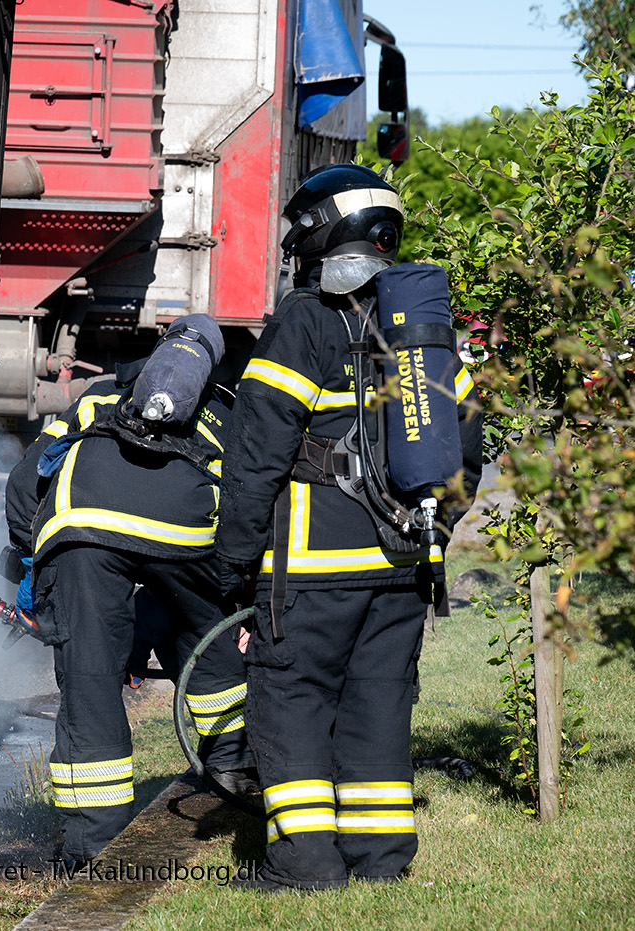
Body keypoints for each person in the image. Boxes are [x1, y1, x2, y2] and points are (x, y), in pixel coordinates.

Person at [216, 164, 483, 891]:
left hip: (311, 568)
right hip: (402, 565)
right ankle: (380, 861)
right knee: (379, 701)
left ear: (322, 232)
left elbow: (258, 450)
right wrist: (429, 531)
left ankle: (303, 868)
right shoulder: (424, 332)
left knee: (293, 697)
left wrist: (235, 562)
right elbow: (467, 453)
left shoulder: (306, 318)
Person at [4, 314, 254, 868]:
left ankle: (93, 846)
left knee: (90, 684)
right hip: (187, 537)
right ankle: (234, 768)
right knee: (205, 641)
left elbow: (28, 483)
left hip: (81, 534)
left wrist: (32, 562)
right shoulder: (227, 411)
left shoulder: (97, 395)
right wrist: (239, 597)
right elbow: (248, 498)